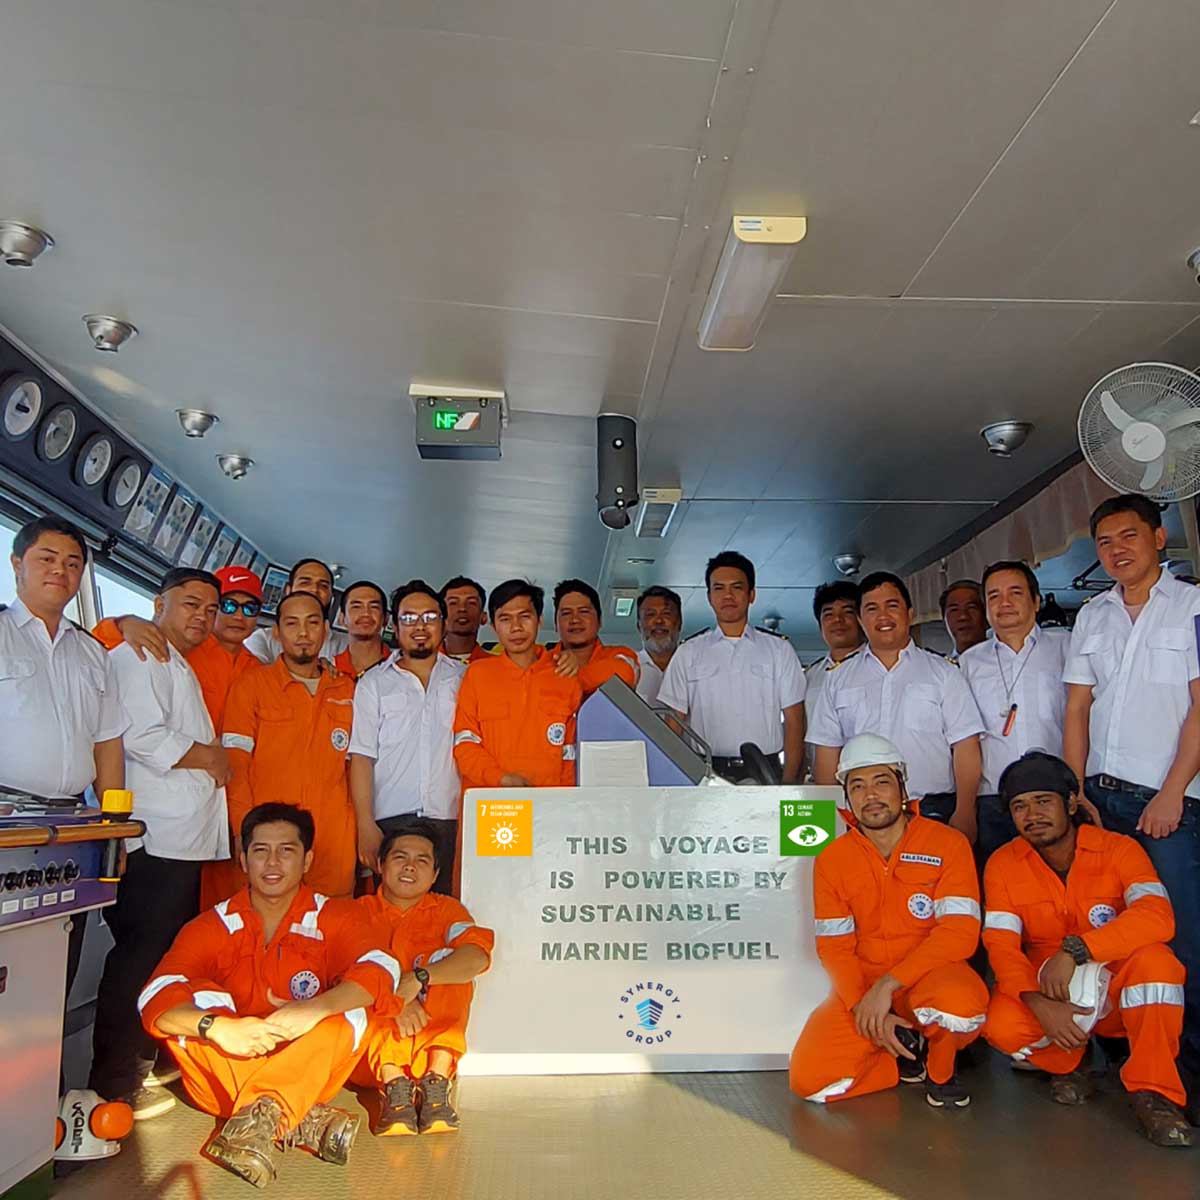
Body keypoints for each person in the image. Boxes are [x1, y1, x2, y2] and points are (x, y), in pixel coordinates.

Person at [137, 804, 403, 1188]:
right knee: (195, 998)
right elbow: (154, 998)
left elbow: (384, 969)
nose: (272, 862)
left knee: (353, 1008)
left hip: (304, 1065)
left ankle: (268, 1112)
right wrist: (217, 1027)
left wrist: (314, 1009)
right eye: (260, 851)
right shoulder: (212, 925)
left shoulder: (335, 916)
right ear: (243, 860)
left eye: (287, 850)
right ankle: (297, 1117)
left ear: (308, 859)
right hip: (227, 1068)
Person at [1063, 493, 1200, 1111]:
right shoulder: (1092, 615)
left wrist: (1172, 791)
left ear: (1159, 538)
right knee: (1104, 927)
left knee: (1179, 936)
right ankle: (1123, 1058)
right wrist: (1074, 792)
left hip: (1170, 802)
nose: (1118, 550)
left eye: (1129, 537)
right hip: (1103, 798)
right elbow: (1077, 708)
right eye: (1106, 542)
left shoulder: (1193, 608)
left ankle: (1188, 1071)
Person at [981, 752, 1193, 1147]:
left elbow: (1157, 917)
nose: (1032, 814)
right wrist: (1035, 1001)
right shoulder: (1003, 864)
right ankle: (1071, 1065)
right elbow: (1001, 945)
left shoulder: (1119, 850)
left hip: (1115, 995)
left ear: (1072, 802)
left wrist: (1078, 949)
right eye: (1019, 806)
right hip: (1052, 994)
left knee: (1157, 966)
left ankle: (1155, 1094)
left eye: (1043, 801)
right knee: (1000, 1024)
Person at [91, 567, 232, 1118]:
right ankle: (112, 1082)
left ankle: (142, 1065)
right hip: (156, 838)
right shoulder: (138, 655)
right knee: (138, 959)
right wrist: (211, 758)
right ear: (158, 603)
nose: (201, 616)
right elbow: (142, 737)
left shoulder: (177, 662)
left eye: (209, 609)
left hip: (184, 840)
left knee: (160, 959)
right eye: (190, 604)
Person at [790, 734, 987, 1109]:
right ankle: (897, 1060)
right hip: (862, 988)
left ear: (902, 786)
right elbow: (834, 947)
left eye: (881, 781)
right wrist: (863, 1006)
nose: (871, 795)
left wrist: (889, 985)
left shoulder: (947, 844)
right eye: (858, 786)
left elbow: (960, 935)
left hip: (930, 977)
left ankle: (940, 1071)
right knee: (809, 1082)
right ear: (846, 797)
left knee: (959, 1005)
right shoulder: (833, 859)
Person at [809, 572, 985, 839]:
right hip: (863, 814)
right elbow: (826, 754)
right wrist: (832, 816)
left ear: (910, 614)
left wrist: (965, 810)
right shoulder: (837, 679)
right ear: (860, 619)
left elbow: (965, 746)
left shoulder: (944, 672)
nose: (883, 616)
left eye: (892, 606)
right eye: (872, 608)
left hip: (933, 810)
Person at [351, 820, 493, 1135]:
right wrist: (395, 999)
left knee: (448, 966)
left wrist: (419, 978)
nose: (410, 867)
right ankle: (395, 1089)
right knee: (363, 977)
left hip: (431, 1044)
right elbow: (340, 977)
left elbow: (477, 957)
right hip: (372, 1062)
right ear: (380, 864)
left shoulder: (448, 911)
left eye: (422, 861)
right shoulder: (355, 914)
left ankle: (437, 1086)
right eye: (400, 857)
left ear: (435, 875)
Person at [214, 591, 358, 902]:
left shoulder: (349, 689)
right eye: (292, 624)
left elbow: (360, 768)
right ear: (276, 633)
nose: (303, 634)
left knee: (330, 931)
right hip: (271, 840)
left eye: (312, 623)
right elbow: (235, 764)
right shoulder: (252, 687)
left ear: (326, 630)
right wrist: (244, 829)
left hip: (334, 841)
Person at [1, 515, 127, 804]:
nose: (59, 570)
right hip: (6, 815)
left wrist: (114, 824)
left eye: (72, 564)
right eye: (47, 559)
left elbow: (107, 743)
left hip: (74, 814)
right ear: (17, 564)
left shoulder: (93, 652)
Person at [350, 581, 465, 890]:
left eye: (429, 617)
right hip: (391, 819)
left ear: (443, 623)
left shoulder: (464, 678)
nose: (419, 626)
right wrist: (365, 824)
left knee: (447, 911)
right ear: (394, 625)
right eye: (409, 618)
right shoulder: (373, 683)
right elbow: (361, 757)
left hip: (452, 818)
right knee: (393, 916)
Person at [658, 552, 806, 783]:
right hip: (705, 771)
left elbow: (795, 721)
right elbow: (673, 725)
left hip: (765, 771)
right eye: (719, 588)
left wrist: (787, 785)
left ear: (751, 595)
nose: (727, 595)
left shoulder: (779, 650)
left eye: (736, 587)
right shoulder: (688, 653)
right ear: (709, 596)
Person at [959, 561, 1070, 860]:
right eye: (994, 596)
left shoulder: (1066, 648)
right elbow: (962, 739)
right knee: (1000, 892)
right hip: (993, 800)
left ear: (1035, 601)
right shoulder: (968, 663)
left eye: (1015, 593)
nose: (1004, 603)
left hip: (1055, 797)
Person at [94, 564, 264, 732]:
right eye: (228, 605)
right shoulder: (180, 643)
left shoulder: (259, 671)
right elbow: (98, 649)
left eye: (250, 608)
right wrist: (122, 624)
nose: (239, 616)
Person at [453, 579, 582, 791]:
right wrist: (501, 778)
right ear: (494, 627)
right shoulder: (477, 674)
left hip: (547, 805)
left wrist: (564, 806)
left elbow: (569, 755)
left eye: (525, 616)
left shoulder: (564, 674)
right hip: (490, 803)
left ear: (539, 621)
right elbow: (465, 743)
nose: (516, 627)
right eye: (505, 619)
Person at [804, 581, 864, 776]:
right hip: (821, 784)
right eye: (828, 614)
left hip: (865, 784)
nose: (838, 620)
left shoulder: (877, 670)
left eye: (847, 612)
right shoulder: (811, 675)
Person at [245, 558, 348, 663]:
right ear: (288, 590)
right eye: (305, 583)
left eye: (324, 586)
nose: (314, 589)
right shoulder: (263, 639)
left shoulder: (347, 645)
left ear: (331, 596)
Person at [552, 578, 639, 694]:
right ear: (556, 624)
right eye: (566, 613)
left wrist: (565, 680)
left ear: (600, 621)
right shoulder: (541, 660)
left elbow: (624, 673)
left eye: (583, 612)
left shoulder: (620, 655)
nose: (575, 620)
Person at [634, 585, 682, 706]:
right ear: (639, 626)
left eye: (666, 613)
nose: (659, 621)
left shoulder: (693, 667)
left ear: (679, 623)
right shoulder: (629, 668)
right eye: (650, 614)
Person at [332, 580, 388, 680]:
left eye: (374, 607)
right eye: (356, 607)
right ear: (342, 619)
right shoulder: (328, 669)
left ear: (385, 619)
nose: (366, 613)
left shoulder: (401, 668)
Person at [440, 576, 491, 664]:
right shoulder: (425, 663)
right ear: (440, 616)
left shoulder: (495, 665)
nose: (462, 608)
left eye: (471, 603)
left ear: (483, 617)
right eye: (453, 603)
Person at [940, 579, 987, 661]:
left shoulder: (1004, 661)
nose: (963, 616)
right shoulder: (941, 668)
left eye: (971, 608)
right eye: (954, 610)